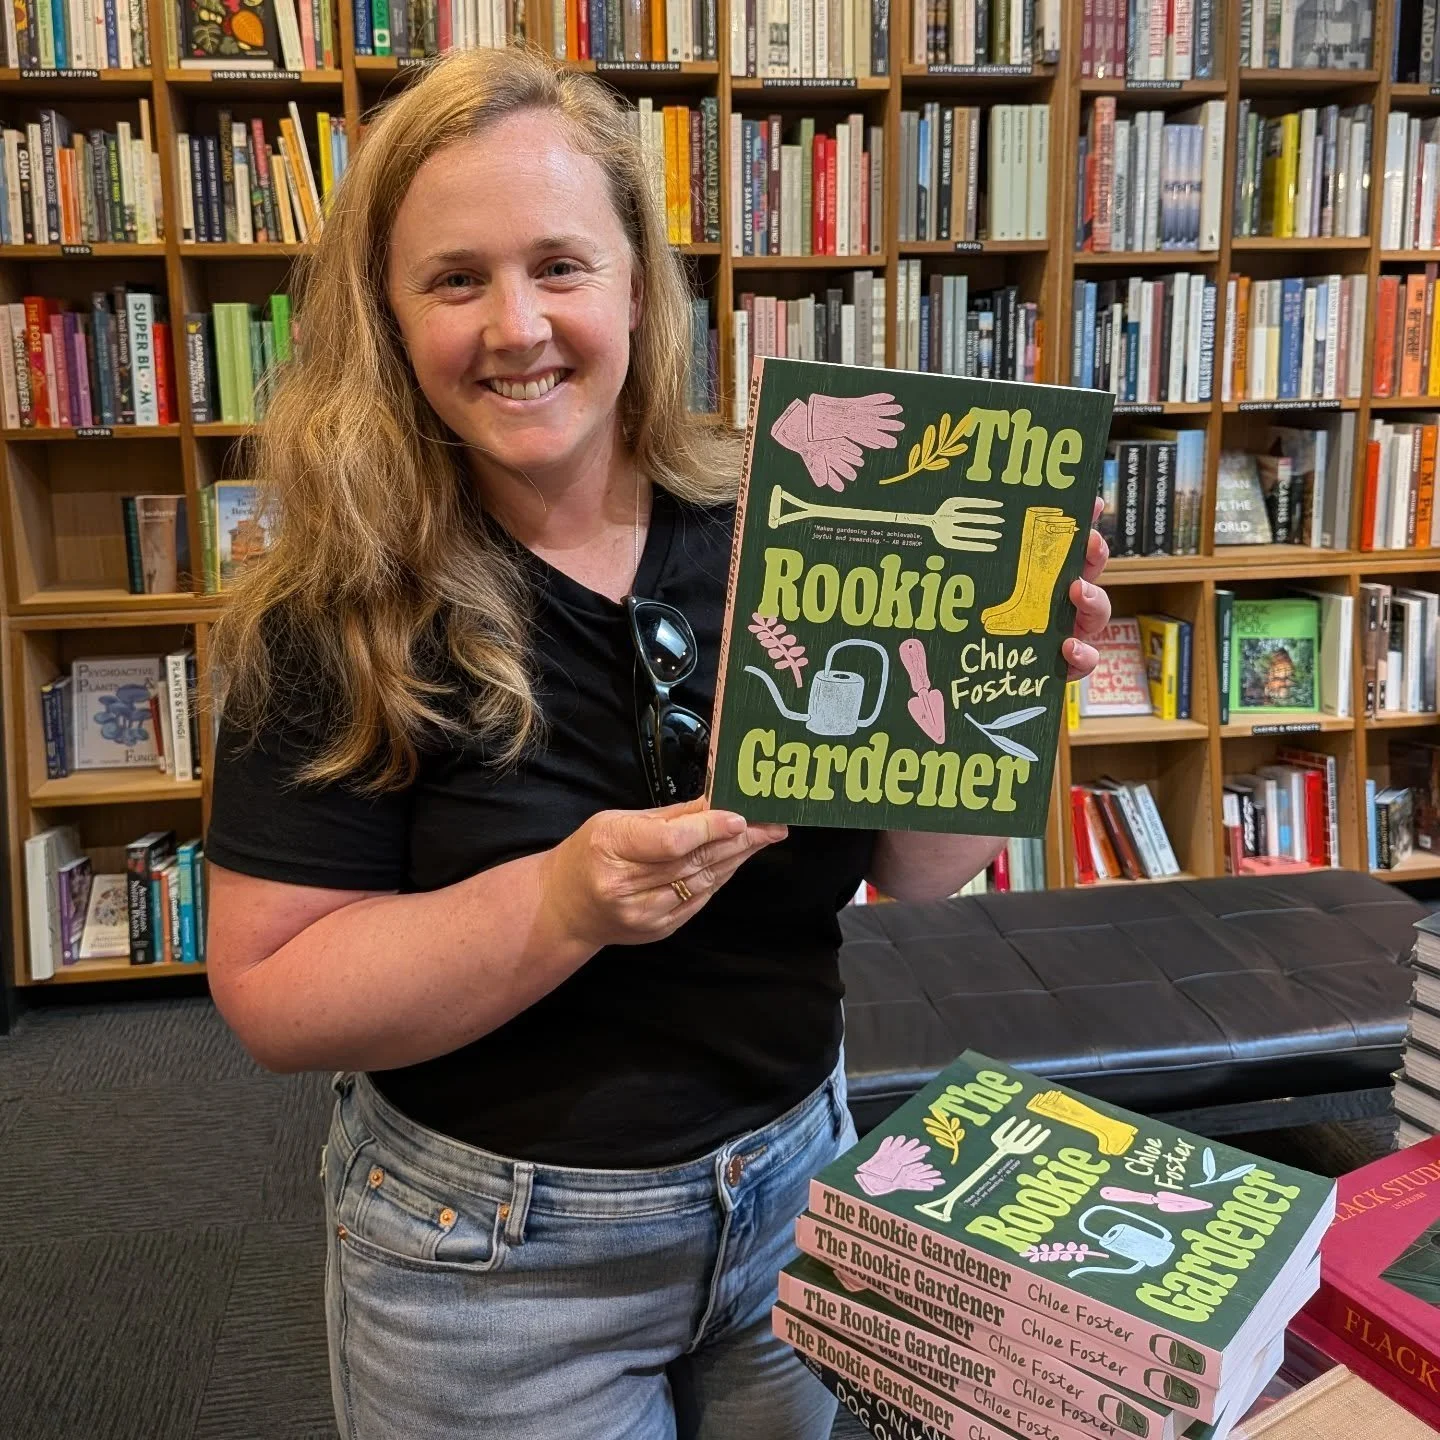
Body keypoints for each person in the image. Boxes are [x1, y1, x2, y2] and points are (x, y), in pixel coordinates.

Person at [204, 45, 1113, 1440]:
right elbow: (276, 996)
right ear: (387, 313)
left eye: (560, 264)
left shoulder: (788, 522)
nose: (518, 326)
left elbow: (923, 874)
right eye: (457, 279)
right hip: (490, 1267)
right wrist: (564, 904)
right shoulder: (336, 607)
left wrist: (995, 699)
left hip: (797, 1194)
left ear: (637, 282)